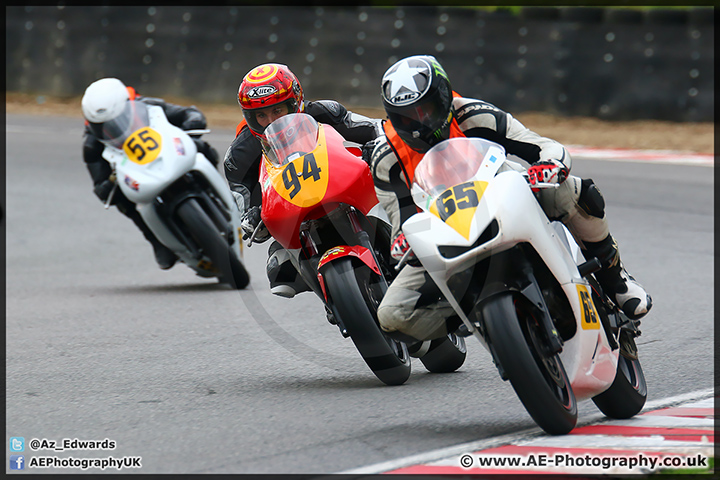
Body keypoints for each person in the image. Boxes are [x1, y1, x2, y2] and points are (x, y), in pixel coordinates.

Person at [368, 55, 652, 344]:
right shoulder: (386, 160)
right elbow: (402, 224)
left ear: (442, 98)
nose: (419, 123)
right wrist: (403, 243)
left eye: (425, 110)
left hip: (505, 201)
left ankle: (615, 279)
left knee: (575, 191)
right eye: (406, 117)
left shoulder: (474, 114)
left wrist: (550, 165)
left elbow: (542, 146)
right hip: (446, 234)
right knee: (392, 315)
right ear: (392, 116)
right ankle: (473, 314)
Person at [225, 63, 382, 297]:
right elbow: (241, 199)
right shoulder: (239, 155)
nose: (269, 121)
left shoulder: (324, 112)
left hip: (342, 188)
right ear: (249, 117)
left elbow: (375, 128)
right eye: (260, 115)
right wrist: (251, 218)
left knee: (402, 209)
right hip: (290, 210)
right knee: (280, 272)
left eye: (278, 111)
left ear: (295, 102)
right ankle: (334, 299)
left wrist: (376, 148)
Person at [81, 77, 220, 269]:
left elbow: (191, 114)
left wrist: (186, 132)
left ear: (129, 105)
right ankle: (155, 239)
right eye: (103, 126)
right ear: (91, 124)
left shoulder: (148, 107)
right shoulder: (92, 145)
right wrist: (113, 181)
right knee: (124, 202)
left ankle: (223, 190)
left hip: (170, 153)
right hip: (137, 175)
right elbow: (101, 191)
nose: (111, 128)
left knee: (201, 147)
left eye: (117, 120)